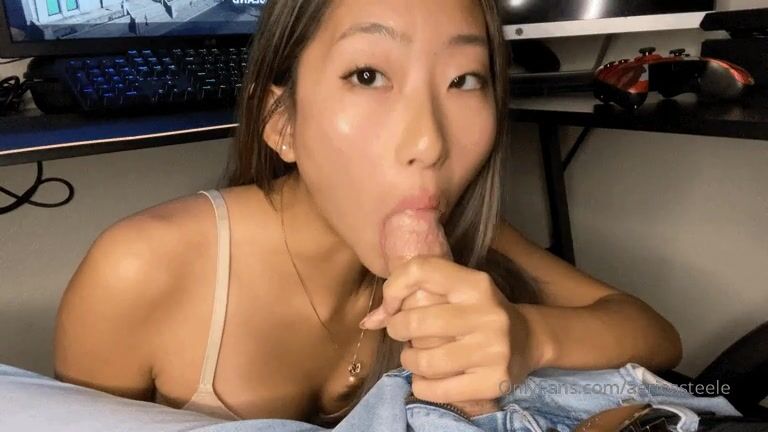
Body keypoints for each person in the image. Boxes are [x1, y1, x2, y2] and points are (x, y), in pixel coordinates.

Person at [53, 0, 683, 428]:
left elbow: (656, 337)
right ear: (281, 121)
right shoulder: (137, 269)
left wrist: (529, 337)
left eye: (465, 80)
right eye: (366, 75)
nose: (429, 142)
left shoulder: (475, 234)